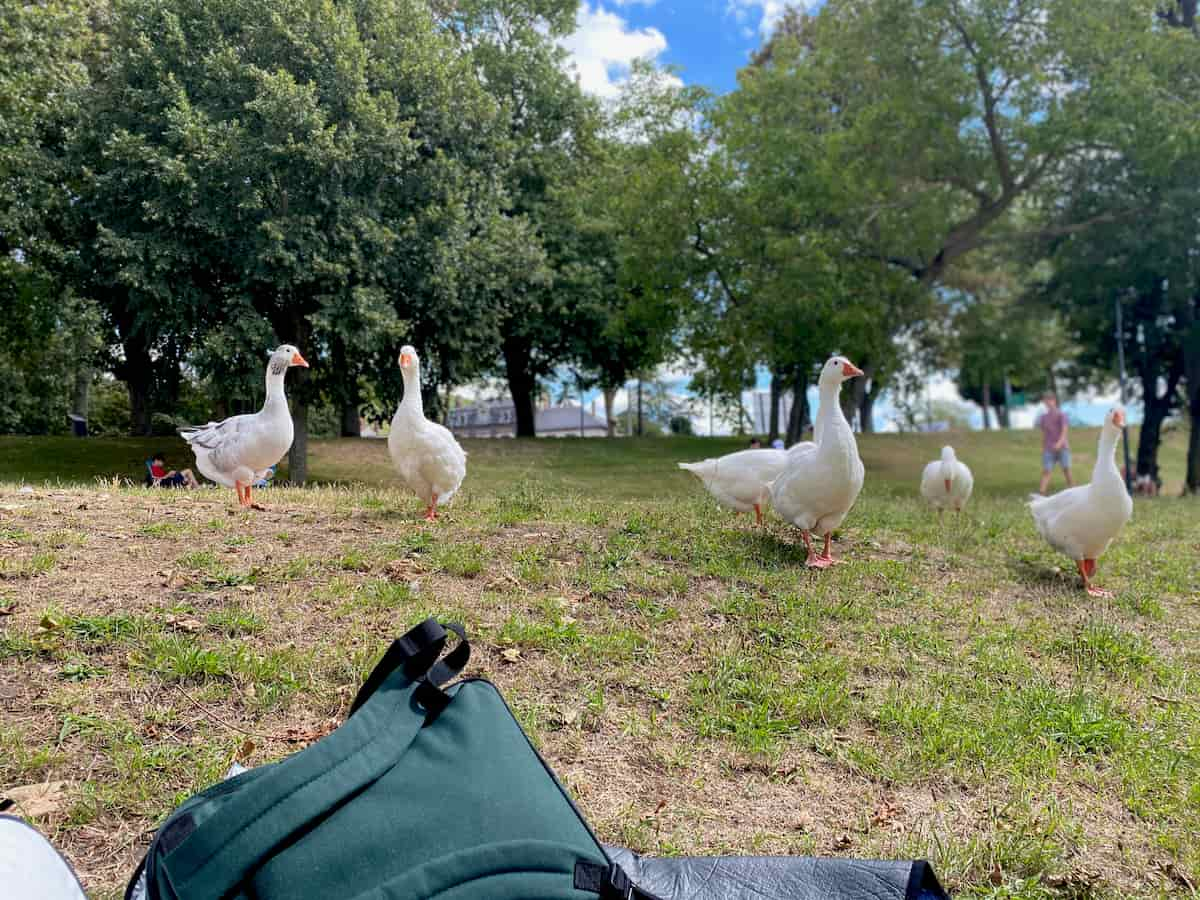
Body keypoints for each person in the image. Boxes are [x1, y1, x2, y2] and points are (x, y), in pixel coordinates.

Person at [1035, 392, 1072, 494]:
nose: (1048, 402)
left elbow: (1064, 431)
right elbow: (1044, 433)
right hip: (1049, 448)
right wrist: (1043, 447)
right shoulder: (1043, 417)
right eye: (1046, 401)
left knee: (1066, 469)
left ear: (1054, 401)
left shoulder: (1061, 415)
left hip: (1062, 447)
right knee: (1047, 470)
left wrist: (1059, 443)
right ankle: (1041, 492)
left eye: (1050, 400)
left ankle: (1072, 489)